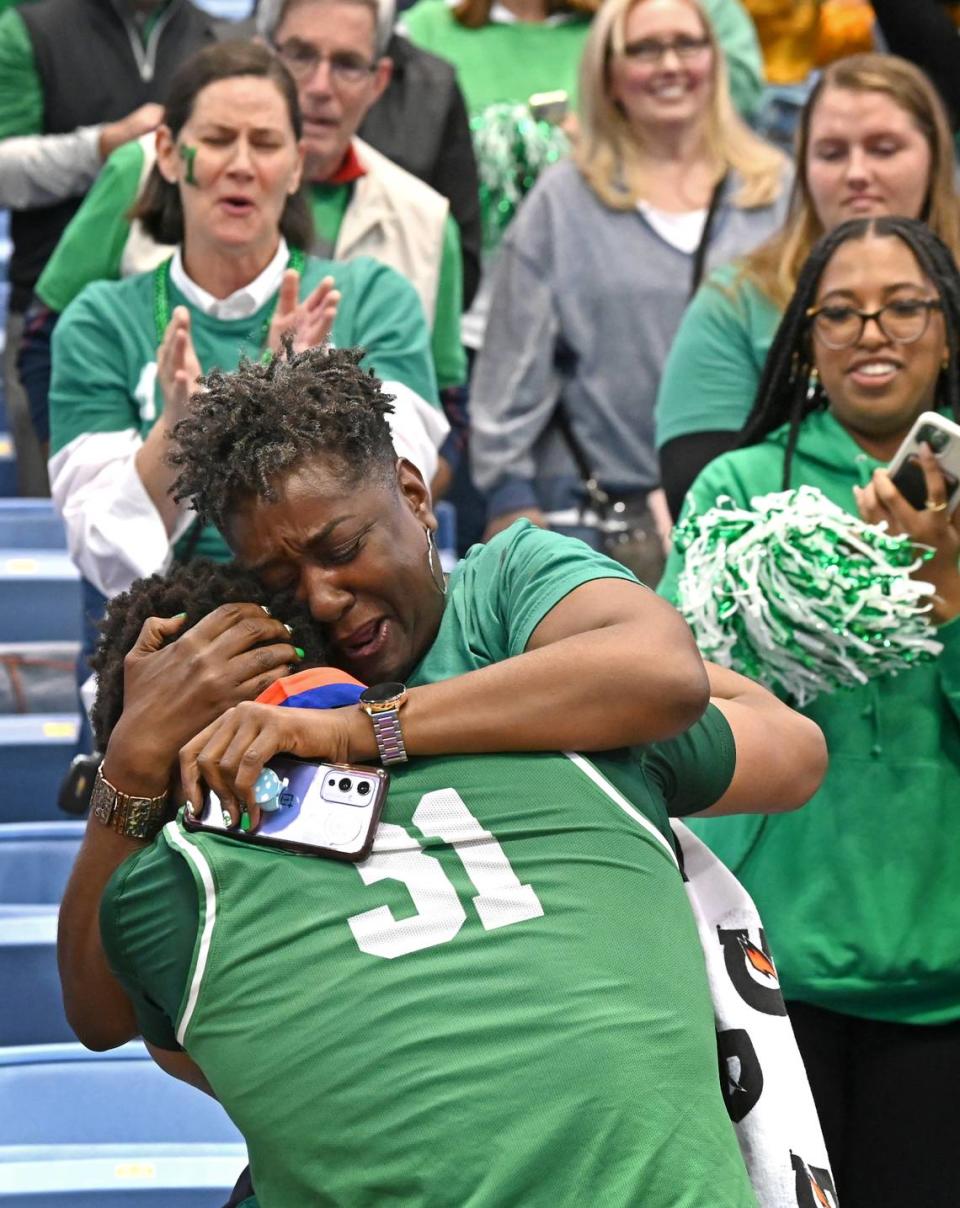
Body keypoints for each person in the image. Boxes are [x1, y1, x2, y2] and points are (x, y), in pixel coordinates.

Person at [63, 544, 825, 1205]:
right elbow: (789, 745)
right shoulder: (578, 743)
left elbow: (103, 1021)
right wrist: (501, 669)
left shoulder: (170, 895)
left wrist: (130, 765)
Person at [659, 215, 960, 1207]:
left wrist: (944, 590)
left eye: (905, 307)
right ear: (806, 342)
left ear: (948, 331)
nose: (874, 331)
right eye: (842, 311)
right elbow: (675, 706)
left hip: (944, 973)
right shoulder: (736, 493)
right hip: (770, 969)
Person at [46, 41, 447, 605]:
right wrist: (176, 434)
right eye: (215, 141)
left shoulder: (374, 299)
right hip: (168, 647)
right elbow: (105, 555)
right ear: (166, 152)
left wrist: (293, 400)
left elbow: (400, 498)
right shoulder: (99, 322)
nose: (240, 165)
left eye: (264, 143)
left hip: (340, 635)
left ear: (295, 166)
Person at [21, 0, 466, 460]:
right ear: (263, 53)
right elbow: (45, 342)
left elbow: (446, 414)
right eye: (300, 54)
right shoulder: (139, 170)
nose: (319, 86)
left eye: (348, 64)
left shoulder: (424, 220)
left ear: (379, 81)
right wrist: (95, 473)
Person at [469, 0, 787, 584]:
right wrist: (510, 500)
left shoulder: (778, 196)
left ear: (716, 61)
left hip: (761, 519)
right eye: (643, 49)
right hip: (601, 530)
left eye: (688, 44)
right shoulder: (563, 201)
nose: (669, 63)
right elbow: (509, 373)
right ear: (608, 74)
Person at [655, 52, 960, 519]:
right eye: (832, 153)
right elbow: (699, 491)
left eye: (883, 148)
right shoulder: (737, 297)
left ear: (935, 155)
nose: (857, 174)